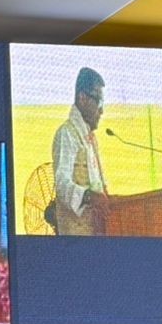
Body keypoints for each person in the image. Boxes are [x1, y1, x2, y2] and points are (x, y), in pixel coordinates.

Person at [52, 67, 109, 237]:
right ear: (82, 98)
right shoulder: (66, 134)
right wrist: (89, 197)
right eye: (98, 102)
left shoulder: (90, 139)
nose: (101, 111)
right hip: (75, 239)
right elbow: (62, 184)